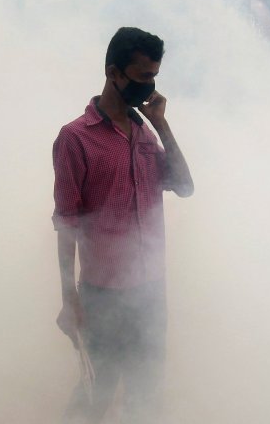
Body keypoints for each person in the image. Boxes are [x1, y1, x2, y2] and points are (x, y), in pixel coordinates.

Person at [52, 27, 194, 423]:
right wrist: (69, 299)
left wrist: (162, 125)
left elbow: (184, 187)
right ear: (113, 73)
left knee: (147, 392)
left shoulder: (145, 131)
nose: (148, 87)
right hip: (102, 295)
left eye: (154, 77)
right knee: (96, 392)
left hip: (149, 291)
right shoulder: (76, 139)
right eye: (142, 76)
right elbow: (67, 224)